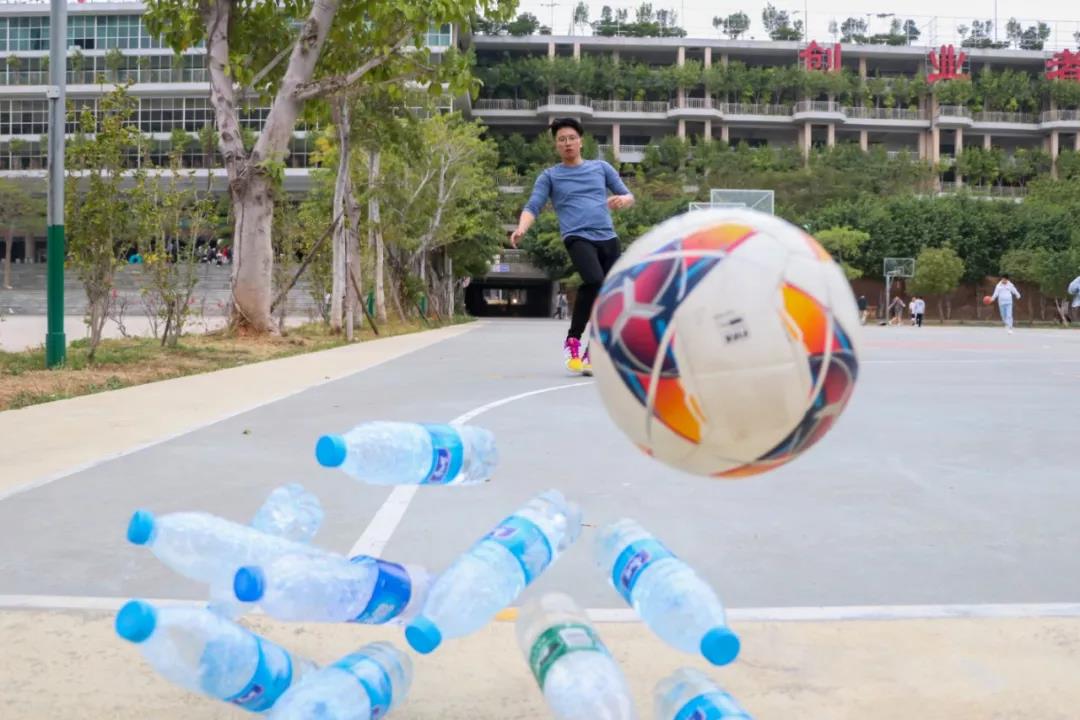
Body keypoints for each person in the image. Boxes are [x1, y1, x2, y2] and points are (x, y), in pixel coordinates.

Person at [511, 117, 635, 374]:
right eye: (561, 140)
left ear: (581, 141)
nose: (567, 143)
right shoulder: (550, 176)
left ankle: (593, 351)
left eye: (571, 138)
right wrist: (522, 228)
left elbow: (627, 194)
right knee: (595, 280)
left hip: (608, 237)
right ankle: (573, 339)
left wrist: (623, 200)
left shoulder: (601, 168)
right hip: (577, 236)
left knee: (608, 293)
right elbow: (533, 206)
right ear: (556, 145)